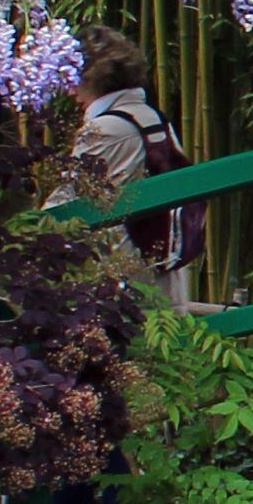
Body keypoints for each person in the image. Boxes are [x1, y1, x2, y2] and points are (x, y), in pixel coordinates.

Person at [56, 31, 199, 303]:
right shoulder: (153, 118)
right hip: (163, 269)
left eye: (72, 78)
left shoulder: (107, 128)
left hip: (125, 280)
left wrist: (25, 235)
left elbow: (70, 203)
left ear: (92, 77)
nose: (70, 91)